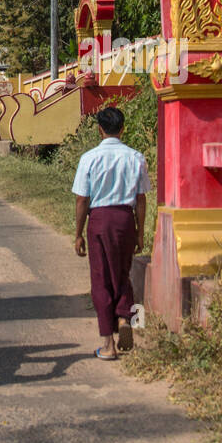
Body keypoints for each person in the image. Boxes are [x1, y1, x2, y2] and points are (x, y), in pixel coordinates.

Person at [73, 105, 150, 359]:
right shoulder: (136, 157)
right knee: (123, 272)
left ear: (99, 129)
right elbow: (141, 199)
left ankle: (108, 344)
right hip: (125, 219)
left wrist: (78, 233)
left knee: (100, 278)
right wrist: (139, 233)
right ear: (123, 128)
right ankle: (127, 318)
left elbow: (82, 200)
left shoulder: (89, 158)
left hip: (100, 219)